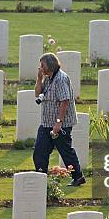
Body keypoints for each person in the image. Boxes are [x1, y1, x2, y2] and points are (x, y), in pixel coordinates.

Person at [33, 53, 86, 186]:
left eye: (42, 65)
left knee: (65, 151)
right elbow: (37, 94)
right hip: (46, 123)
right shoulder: (49, 78)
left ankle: (78, 177)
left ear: (50, 65)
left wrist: (58, 123)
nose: (40, 68)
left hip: (60, 123)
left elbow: (64, 101)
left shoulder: (61, 79)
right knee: (40, 151)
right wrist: (39, 79)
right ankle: (41, 178)